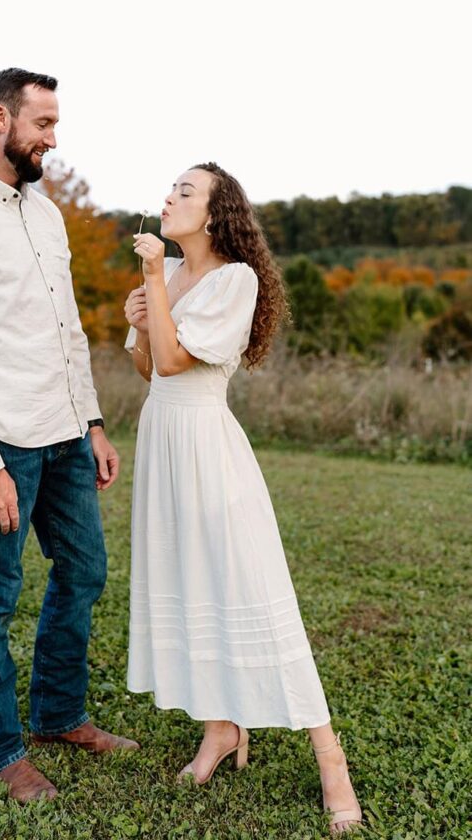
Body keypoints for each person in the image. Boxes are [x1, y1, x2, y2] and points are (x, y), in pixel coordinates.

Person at [0, 67, 137, 805]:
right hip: (1, 442)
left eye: (56, 125)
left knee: (85, 573)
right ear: (1, 119)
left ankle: (57, 715)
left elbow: (65, 327)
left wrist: (94, 422)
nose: (52, 139)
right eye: (44, 124)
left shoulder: (44, 213)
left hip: (66, 434)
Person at [124, 163, 362, 834]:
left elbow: (179, 365)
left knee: (249, 588)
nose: (169, 197)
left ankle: (329, 758)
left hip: (206, 444)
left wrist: (150, 286)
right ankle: (220, 730)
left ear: (214, 212)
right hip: (161, 442)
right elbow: (148, 368)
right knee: (188, 583)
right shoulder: (168, 276)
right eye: (169, 188)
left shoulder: (236, 279)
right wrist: (138, 319)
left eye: (185, 191)